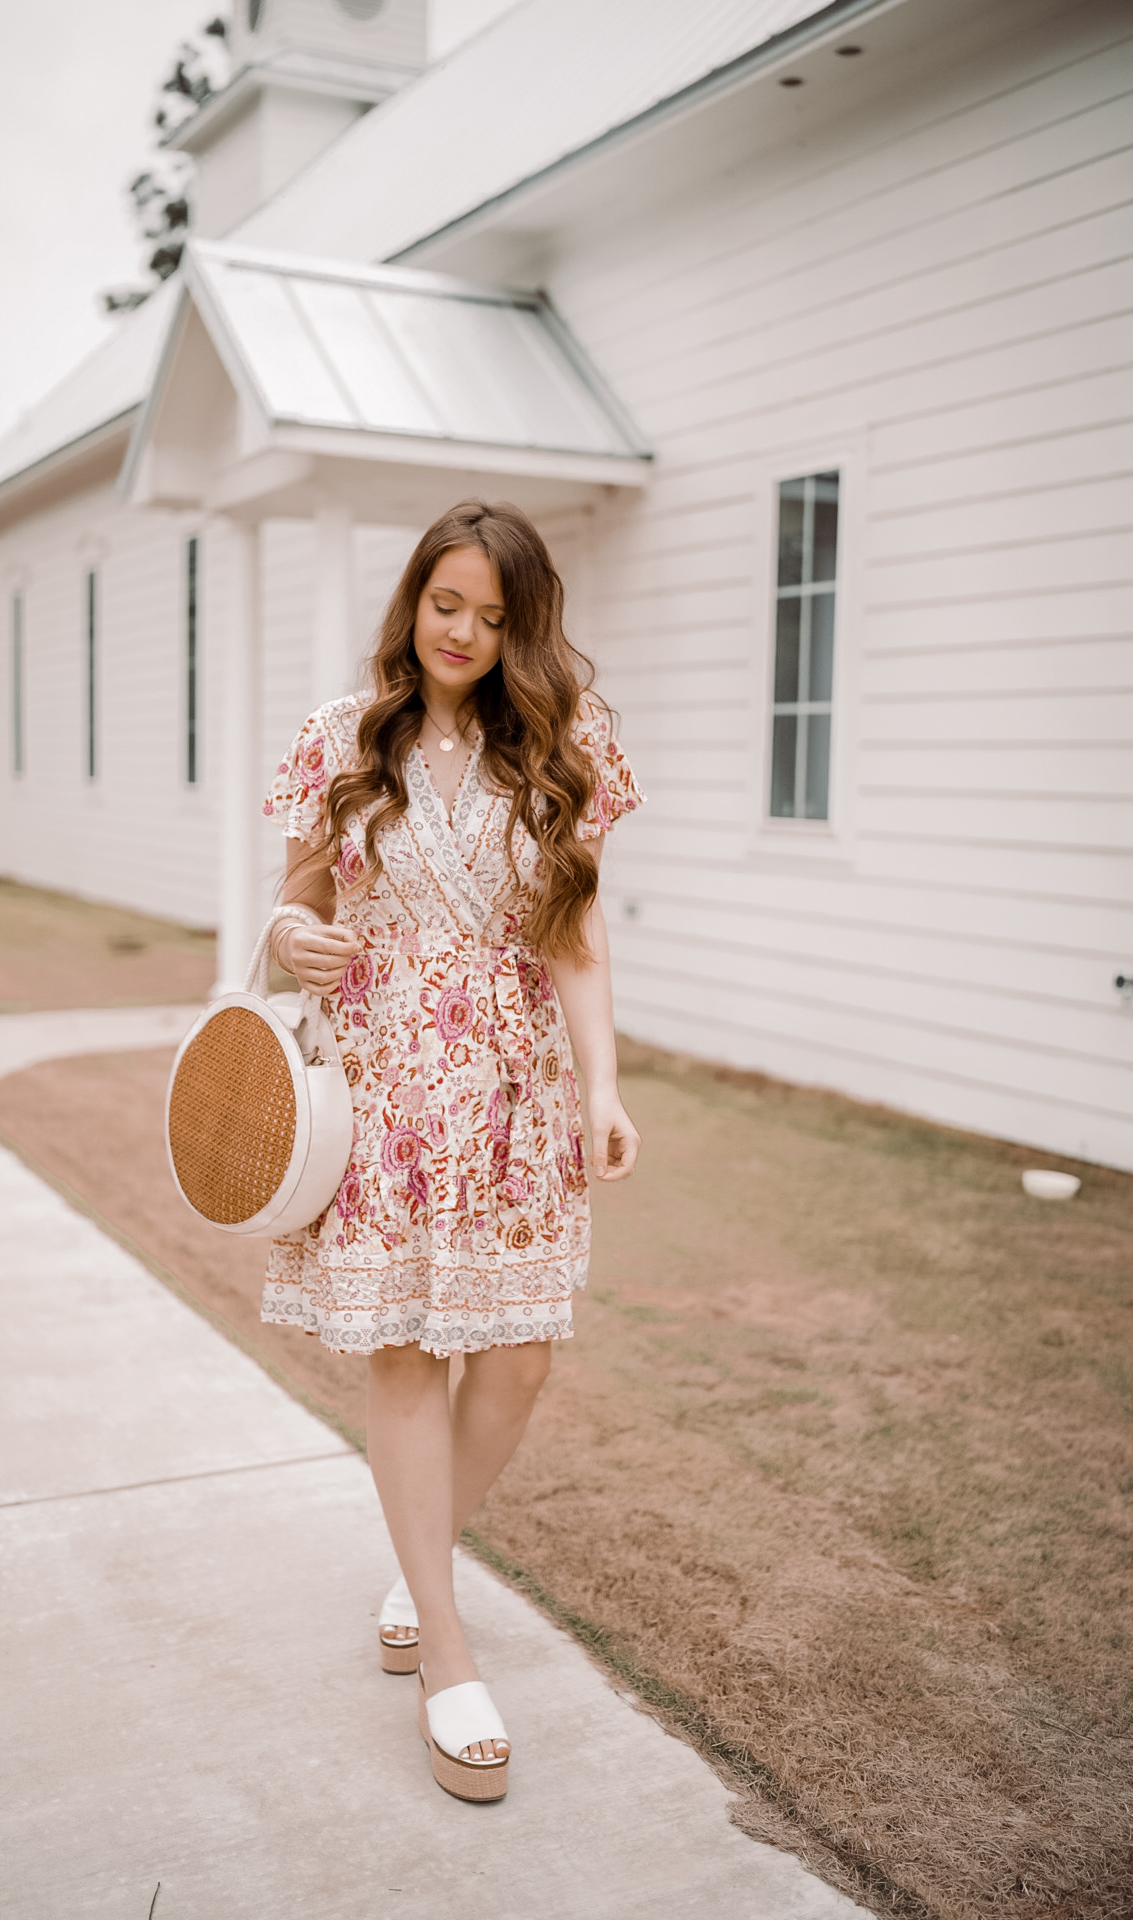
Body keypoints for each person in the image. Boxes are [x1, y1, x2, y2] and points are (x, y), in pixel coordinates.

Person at [263, 499, 643, 1802]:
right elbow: (295, 906)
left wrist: (603, 1082)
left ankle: (414, 1569)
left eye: (494, 614)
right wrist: (285, 938)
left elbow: (577, 938)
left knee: (520, 1362)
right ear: (413, 597)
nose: (467, 633)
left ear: (522, 624)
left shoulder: (564, 744)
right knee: (412, 1348)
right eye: (447, 604)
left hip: (511, 1098)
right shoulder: (340, 738)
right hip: (383, 1091)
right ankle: (445, 1642)